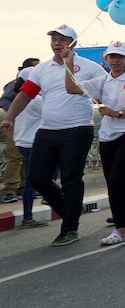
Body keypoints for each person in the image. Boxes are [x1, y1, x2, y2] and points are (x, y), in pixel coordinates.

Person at [1, 25, 105, 246]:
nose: (57, 43)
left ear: (73, 43)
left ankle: (69, 228)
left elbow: (108, 88)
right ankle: (70, 210)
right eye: (54, 39)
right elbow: (25, 95)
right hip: (47, 130)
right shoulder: (42, 69)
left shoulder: (89, 67)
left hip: (77, 129)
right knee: (37, 177)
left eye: (62, 39)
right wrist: (9, 117)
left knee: (71, 178)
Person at [63, 41, 125, 245]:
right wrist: (68, 62)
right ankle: (120, 230)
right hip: (107, 135)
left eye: (120, 57)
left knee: (118, 180)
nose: (115, 60)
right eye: (112, 56)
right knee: (112, 184)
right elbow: (71, 88)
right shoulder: (102, 81)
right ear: (106, 59)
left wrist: (118, 113)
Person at [11, 67, 47, 227]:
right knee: (32, 183)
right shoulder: (36, 100)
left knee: (31, 181)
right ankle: (28, 217)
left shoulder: (18, 98)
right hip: (33, 143)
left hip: (21, 142)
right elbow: (52, 113)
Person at [1, 58, 40, 204]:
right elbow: (4, 101)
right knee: (15, 157)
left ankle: (24, 188)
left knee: (27, 159)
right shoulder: (15, 84)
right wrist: (13, 115)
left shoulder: (38, 85)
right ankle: (9, 190)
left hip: (30, 127)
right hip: (15, 124)